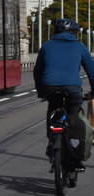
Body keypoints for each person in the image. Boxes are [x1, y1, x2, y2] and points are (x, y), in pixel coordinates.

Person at [33, 17, 94, 164]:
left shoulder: (47, 46)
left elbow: (37, 71)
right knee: (75, 114)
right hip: (73, 88)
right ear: (74, 33)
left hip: (50, 87)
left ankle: (51, 141)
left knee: (53, 110)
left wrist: (41, 91)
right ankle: (76, 148)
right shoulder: (79, 46)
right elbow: (91, 71)